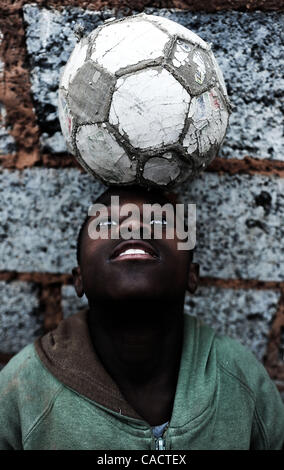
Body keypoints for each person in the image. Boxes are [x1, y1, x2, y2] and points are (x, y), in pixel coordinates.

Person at [0, 185, 283, 450]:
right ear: (79, 278)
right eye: (106, 224)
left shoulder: (241, 377)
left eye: (160, 222)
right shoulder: (24, 385)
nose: (134, 226)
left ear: (191, 275)